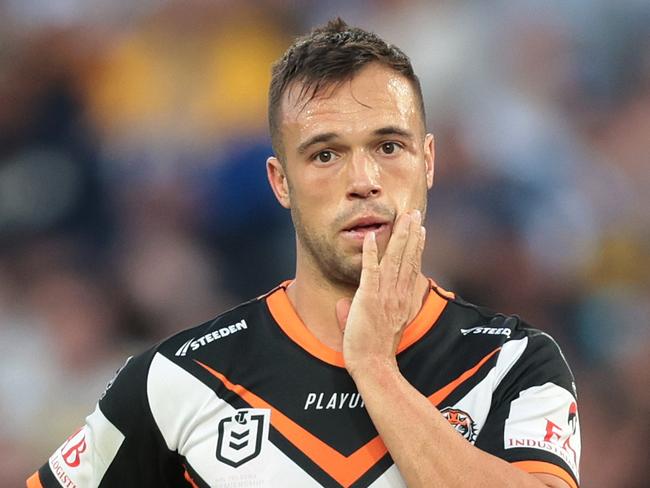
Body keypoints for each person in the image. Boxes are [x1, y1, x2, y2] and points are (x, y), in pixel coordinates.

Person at [28, 18, 581, 488]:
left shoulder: (513, 363)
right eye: (324, 155)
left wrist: (376, 371)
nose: (363, 180)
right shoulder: (180, 379)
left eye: (389, 147)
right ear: (280, 181)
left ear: (429, 162)